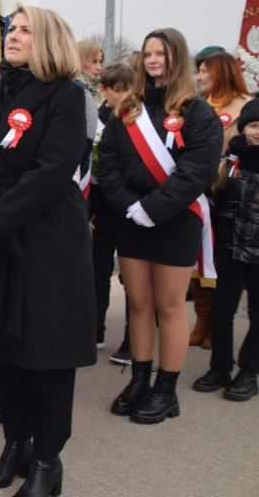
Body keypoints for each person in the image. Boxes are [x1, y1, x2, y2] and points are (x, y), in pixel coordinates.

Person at [0, 6, 95, 496]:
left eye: (24, 30)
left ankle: (48, 460)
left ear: (49, 40)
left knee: (47, 353)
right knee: (1, 348)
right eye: (10, 29)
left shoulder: (67, 95)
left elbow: (53, 172)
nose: (12, 36)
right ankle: (15, 443)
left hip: (48, 241)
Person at [98, 28, 222, 425]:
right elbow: (110, 162)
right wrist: (129, 206)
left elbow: (196, 172)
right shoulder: (128, 109)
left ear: (177, 58)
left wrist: (153, 208)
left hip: (175, 219)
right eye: (148, 54)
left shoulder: (196, 111)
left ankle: (166, 390)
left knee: (168, 306)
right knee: (139, 303)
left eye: (161, 54)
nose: (153, 61)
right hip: (133, 217)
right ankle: (138, 379)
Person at [193, 98, 259, 400]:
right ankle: (220, 368)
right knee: (221, 312)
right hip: (230, 251)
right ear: (244, 127)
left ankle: (249, 371)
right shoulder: (228, 163)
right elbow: (213, 205)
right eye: (254, 125)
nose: (258, 132)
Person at [188, 51, 253, 349]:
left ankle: (217, 322)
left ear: (221, 72)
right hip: (198, 191)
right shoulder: (197, 105)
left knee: (220, 261)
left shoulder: (246, 107)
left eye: (204, 71)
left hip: (226, 195)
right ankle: (202, 319)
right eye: (198, 71)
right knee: (199, 260)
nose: (199, 77)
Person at [91, 63, 138, 366]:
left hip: (133, 204)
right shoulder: (94, 119)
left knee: (133, 276)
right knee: (98, 267)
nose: (122, 96)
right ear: (104, 90)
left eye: (128, 90)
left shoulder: (140, 119)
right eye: (116, 90)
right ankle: (95, 329)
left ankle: (132, 339)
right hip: (101, 203)